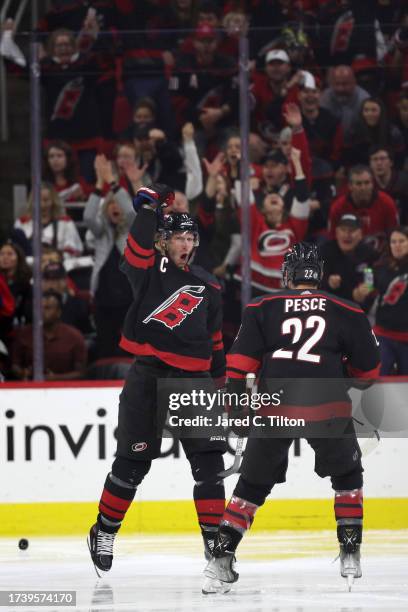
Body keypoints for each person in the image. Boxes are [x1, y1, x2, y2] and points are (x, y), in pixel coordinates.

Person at [202, 242, 381, 594]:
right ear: (318, 272)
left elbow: (238, 367)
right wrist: (341, 369)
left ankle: (219, 562)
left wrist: (237, 410)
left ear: (288, 273)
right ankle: (349, 553)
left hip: (275, 406)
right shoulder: (347, 309)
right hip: (326, 405)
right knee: (347, 476)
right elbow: (368, 372)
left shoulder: (262, 306)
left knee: (252, 485)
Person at [88, 183, 227, 575]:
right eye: (177, 237)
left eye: (190, 237)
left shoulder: (210, 285)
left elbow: (216, 344)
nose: (185, 244)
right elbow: (134, 248)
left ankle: (215, 542)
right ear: (163, 242)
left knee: (209, 463)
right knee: (132, 464)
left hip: (195, 381)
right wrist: (149, 210)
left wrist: (223, 393)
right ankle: (104, 529)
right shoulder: (148, 269)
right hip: (148, 376)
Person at [11, 290, 87, 381]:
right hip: (30, 389)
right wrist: (23, 373)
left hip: (65, 390)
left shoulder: (74, 336)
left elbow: (81, 373)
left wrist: (55, 378)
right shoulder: (23, 334)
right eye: (39, 308)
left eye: (47, 308)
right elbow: (14, 365)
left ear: (59, 312)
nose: (42, 312)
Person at [328, 166, 399, 252]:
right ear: (350, 186)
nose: (363, 188)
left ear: (372, 184)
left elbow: (395, 235)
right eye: (358, 184)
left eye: (367, 183)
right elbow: (332, 239)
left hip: (380, 255)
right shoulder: (338, 207)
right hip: (348, 256)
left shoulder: (387, 203)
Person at [320, 214, 379, 306]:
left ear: (360, 234)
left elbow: (370, 276)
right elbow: (316, 283)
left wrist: (365, 289)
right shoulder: (325, 252)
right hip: (330, 306)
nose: (347, 235)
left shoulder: (369, 254)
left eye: (351, 231)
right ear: (336, 233)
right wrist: (328, 283)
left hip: (360, 307)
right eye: (343, 230)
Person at [13, 183, 83, 258]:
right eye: (38, 200)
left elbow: (74, 249)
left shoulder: (66, 222)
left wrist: (55, 256)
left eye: (46, 200)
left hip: (57, 265)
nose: (42, 205)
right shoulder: (21, 222)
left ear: (53, 201)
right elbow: (13, 250)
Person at [373, 227, 408, 375]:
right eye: (394, 242)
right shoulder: (380, 267)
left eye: (402, 241)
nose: (397, 245)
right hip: (383, 335)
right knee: (377, 380)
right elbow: (367, 291)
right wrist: (361, 292)